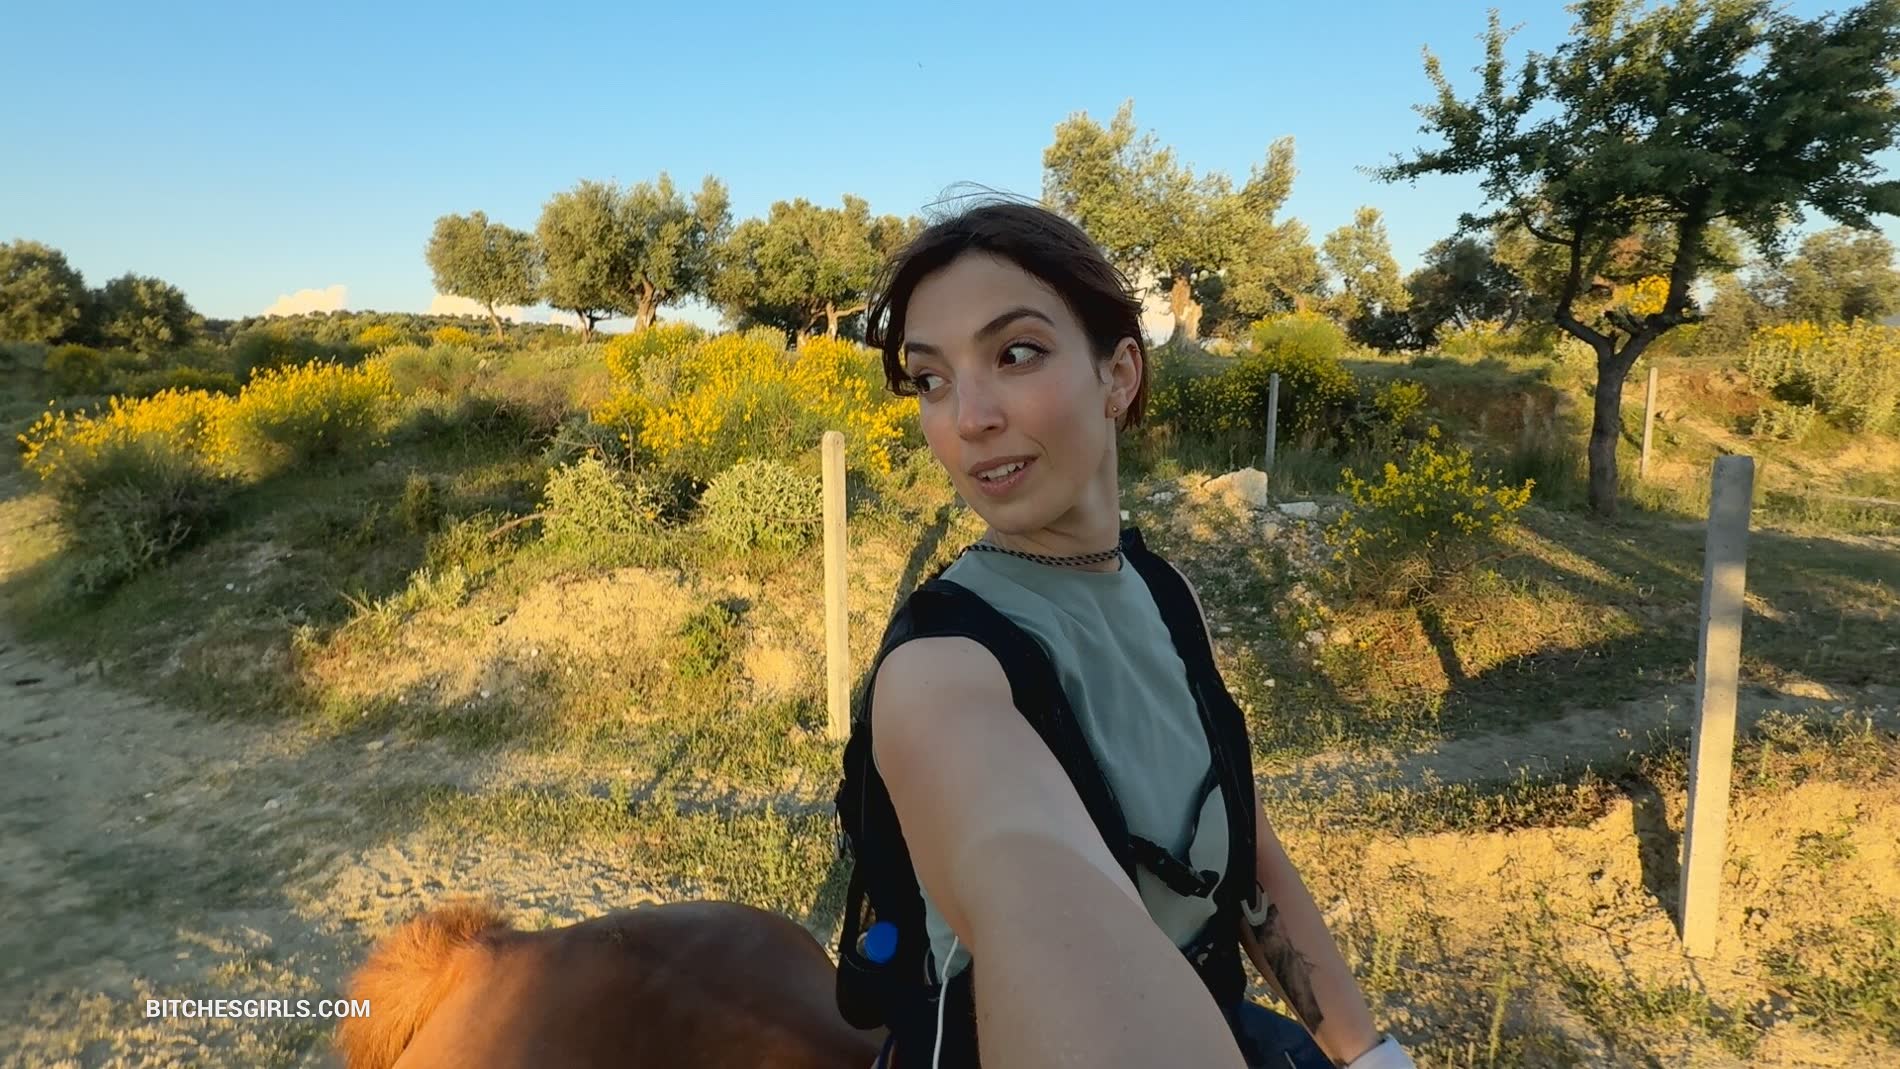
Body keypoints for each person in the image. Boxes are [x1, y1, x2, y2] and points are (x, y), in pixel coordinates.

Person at [848, 195, 1416, 1069]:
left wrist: (1369, 1055)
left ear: (1118, 375)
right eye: (932, 379)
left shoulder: (1164, 591)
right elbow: (1027, 877)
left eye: (1016, 353)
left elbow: (1248, 854)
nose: (968, 417)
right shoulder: (937, 667)